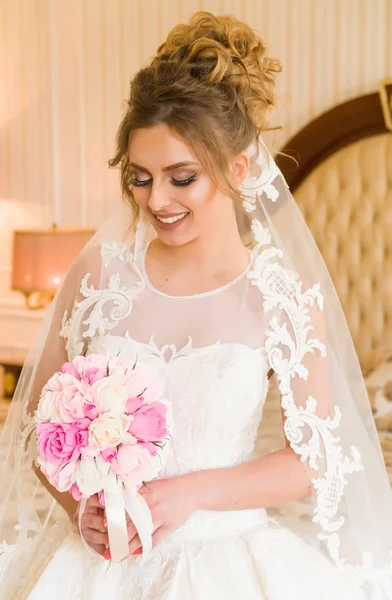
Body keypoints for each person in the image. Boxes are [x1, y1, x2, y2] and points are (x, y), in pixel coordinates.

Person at [0, 11, 391, 600]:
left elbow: (311, 459)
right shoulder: (99, 274)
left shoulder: (280, 296)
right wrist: (79, 504)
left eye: (182, 178)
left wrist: (193, 492)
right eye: (139, 177)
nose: (156, 200)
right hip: (98, 561)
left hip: (221, 557)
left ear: (237, 169)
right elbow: (38, 427)